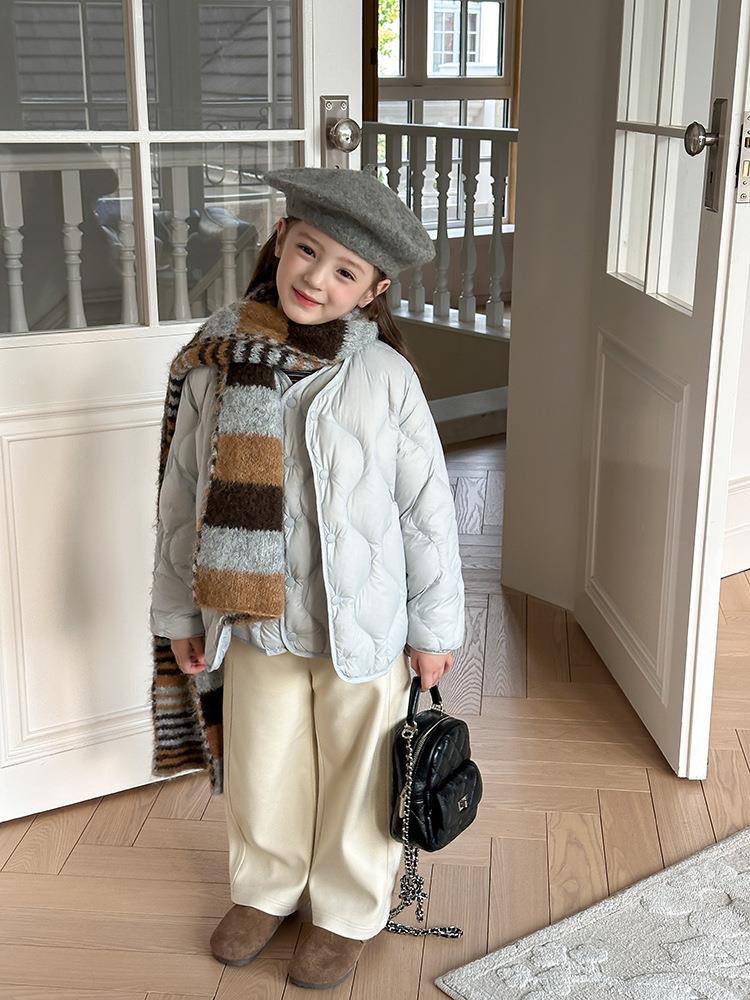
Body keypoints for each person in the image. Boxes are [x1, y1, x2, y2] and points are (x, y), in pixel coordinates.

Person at [148, 165, 465, 990]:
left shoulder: (386, 380)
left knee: (362, 769)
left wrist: (433, 631)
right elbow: (180, 503)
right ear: (282, 239)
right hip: (256, 620)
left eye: (345, 271)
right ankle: (266, 889)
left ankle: (348, 910)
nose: (316, 279)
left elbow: (426, 512)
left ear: (374, 290)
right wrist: (179, 614)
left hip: (364, 627)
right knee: (263, 763)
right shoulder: (217, 365)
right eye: (308, 251)